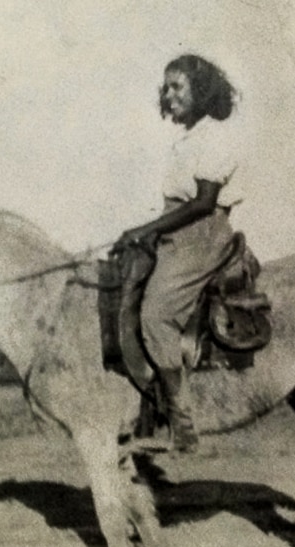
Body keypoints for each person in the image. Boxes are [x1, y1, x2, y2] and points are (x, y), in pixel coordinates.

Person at [113, 54, 241, 453]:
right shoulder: (187, 139)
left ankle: (183, 426)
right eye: (166, 88)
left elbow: (204, 203)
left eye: (178, 87)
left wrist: (145, 229)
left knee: (156, 314)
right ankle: (146, 411)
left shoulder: (215, 136)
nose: (169, 96)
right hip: (179, 232)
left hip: (203, 235)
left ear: (202, 92)